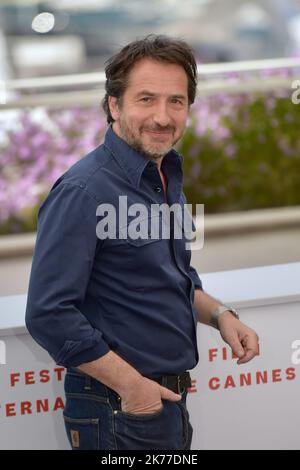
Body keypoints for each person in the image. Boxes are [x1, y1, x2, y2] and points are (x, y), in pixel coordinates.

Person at [25, 35, 259, 451]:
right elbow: (48, 313)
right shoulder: (84, 191)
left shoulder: (164, 176)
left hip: (161, 403)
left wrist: (222, 315)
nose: (163, 117)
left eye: (176, 101)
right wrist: (135, 389)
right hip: (119, 408)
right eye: (146, 99)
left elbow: (173, 277)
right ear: (114, 105)